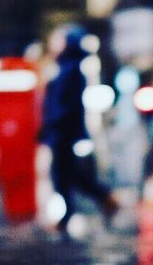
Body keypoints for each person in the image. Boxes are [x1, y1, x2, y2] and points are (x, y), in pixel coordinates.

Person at [42, 30, 119, 232]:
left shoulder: (70, 69)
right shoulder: (63, 68)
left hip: (64, 131)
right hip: (61, 130)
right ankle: (99, 200)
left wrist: (54, 122)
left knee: (65, 174)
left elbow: (67, 104)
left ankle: (100, 199)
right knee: (66, 174)